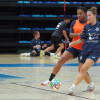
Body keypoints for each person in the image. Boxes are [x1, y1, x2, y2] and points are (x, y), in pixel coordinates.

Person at [41, 5, 95, 91]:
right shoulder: (74, 22)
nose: (78, 15)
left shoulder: (89, 23)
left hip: (84, 49)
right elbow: (70, 35)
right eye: (77, 14)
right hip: (74, 46)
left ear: (85, 13)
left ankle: (90, 85)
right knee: (61, 59)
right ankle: (50, 79)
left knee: (81, 69)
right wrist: (78, 34)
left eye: (80, 13)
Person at [68, 7, 100, 95]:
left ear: (94, 15)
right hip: (85, 50)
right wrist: (72, 43)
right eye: (87, 15)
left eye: (89, 15)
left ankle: (72, 87)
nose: (88, 17)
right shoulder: (86, 27)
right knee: (81, 70)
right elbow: (81, 40)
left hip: (95, 51)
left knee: (84, 68)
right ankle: (91, 85)